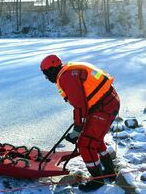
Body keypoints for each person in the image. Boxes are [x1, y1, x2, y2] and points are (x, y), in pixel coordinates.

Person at [40, 55, 120, 191]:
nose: (47, 78)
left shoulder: (66, 76)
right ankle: (110, 173)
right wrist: (79, 126)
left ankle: (98, 180)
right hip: (105, 103)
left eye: (47, 74)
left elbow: (80, 105)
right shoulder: (68, 70)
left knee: (85, 145)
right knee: (95, 140)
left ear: (53, 69)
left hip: (104, 106)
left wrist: (77, 129)